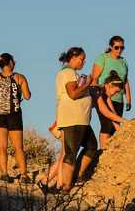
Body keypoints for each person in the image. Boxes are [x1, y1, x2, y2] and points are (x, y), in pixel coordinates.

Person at [0, 53, 31, 183]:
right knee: (18, 147)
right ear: (10, 63)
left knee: (1, 146)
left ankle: (4, 173)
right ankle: (24, 175)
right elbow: (27, 96)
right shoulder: (19, 77)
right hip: (14, 114)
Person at [55, 47, 97, 192]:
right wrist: (87, 84)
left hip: (81, 119)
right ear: (73, 58)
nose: (84, 61)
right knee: (71, 152)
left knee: (92, 146)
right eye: (82, 58)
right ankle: (66, 186)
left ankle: (76, 176)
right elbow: (72, 94)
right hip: (73, 119)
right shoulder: (67, 73)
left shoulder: (73, 73)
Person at [91, 36, 131, 149]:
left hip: (118, 98)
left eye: (122, 48)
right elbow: (94, 78)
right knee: (107, 124)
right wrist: (97, 94)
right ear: (111, 47)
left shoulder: (123, 62)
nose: (119, 50)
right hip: (103, 95)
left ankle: (113, 151)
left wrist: (128, 99)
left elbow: (126, 81)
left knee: (114, 126)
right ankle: (103, 150)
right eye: (116, 47)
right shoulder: (103, 58)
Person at [96, 71, 129, 140]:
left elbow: (113, 114)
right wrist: (126, 121)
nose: (116, 94)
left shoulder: (107, 96)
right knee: (106, 124)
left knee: (108, 124)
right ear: (108, 85)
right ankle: (104, 149)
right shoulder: (98, 91)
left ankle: (105, 149)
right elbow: (107, 113)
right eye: (116, 91)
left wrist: (120, 131)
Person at [37, 121, 65, 194]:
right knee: (65, 154)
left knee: (65, 154)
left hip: (68, 123)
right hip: (67, 124)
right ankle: (56, 184)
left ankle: (46, 182)